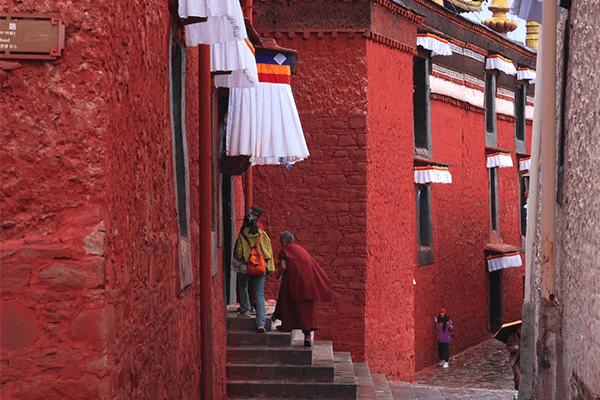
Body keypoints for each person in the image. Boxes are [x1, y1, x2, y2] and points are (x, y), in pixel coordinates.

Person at [272, 231, 333, 346]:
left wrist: (279, 274)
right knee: (306, 311)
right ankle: (308, 336)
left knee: (287, 301)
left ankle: (287, 326)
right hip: (309, 284)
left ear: (284, 241)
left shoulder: (285, 250)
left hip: (294, 282)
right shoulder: (301, 250)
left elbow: (284, 267)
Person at [235, 210, 275, 333]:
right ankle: (261, 323)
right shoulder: (263, 235)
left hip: (247, 268)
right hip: (260, 269)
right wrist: (270, 269)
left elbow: (239, 254)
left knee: (242, 285)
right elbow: (268, 254)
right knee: (259, 295)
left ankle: (245, 308)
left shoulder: (242, 236)